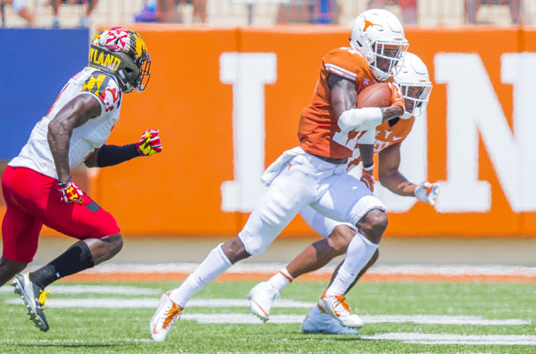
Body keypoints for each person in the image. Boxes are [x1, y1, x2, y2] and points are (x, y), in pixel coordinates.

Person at [149, 8, 408, 342]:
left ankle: (333, 295)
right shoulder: (343, 61)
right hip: (303, 172)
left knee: (375, 220)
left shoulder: (376, 79)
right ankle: (176, 298)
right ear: (364, 43)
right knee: (247, 244)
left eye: (394, 52)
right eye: (386, 51)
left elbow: (367, 127)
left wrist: (369, 168)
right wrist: (388, 110)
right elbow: (346, 119)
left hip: (334, 175)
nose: (390, 60)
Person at [0, 27, 158, 346]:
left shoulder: (91, 81)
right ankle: (39, 281)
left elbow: (91, 157)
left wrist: (136, 149)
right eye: (136, 60)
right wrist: (64, 180)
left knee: (13, 261)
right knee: (110, 237)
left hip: (18, 175)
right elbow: (59, 125)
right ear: (123, 60)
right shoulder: (107, 86)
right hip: (41, 180)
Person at [247, 52, 438, 334]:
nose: (414, 99)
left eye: (419, 92)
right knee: (345, 238)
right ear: (392, 87)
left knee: (366, 251)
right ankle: (272, 286)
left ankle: (320, 315)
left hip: (341, 186)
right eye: (410, 91)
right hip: (316, 178)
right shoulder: (368, 102)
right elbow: (352, 124)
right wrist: (364, 166)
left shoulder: (403, 120)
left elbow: (388, 174)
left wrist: (416, 190)